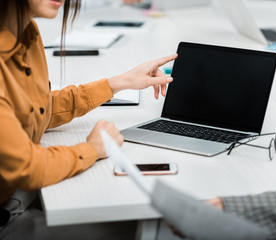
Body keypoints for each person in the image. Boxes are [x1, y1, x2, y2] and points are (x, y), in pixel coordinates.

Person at [0, 0, 177, 239]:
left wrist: (120, 83)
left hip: (17, 194)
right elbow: (28, 169)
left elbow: (38, 110)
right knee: (150, 228)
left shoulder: (26, 31)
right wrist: (92, 149)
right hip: (8, 213)